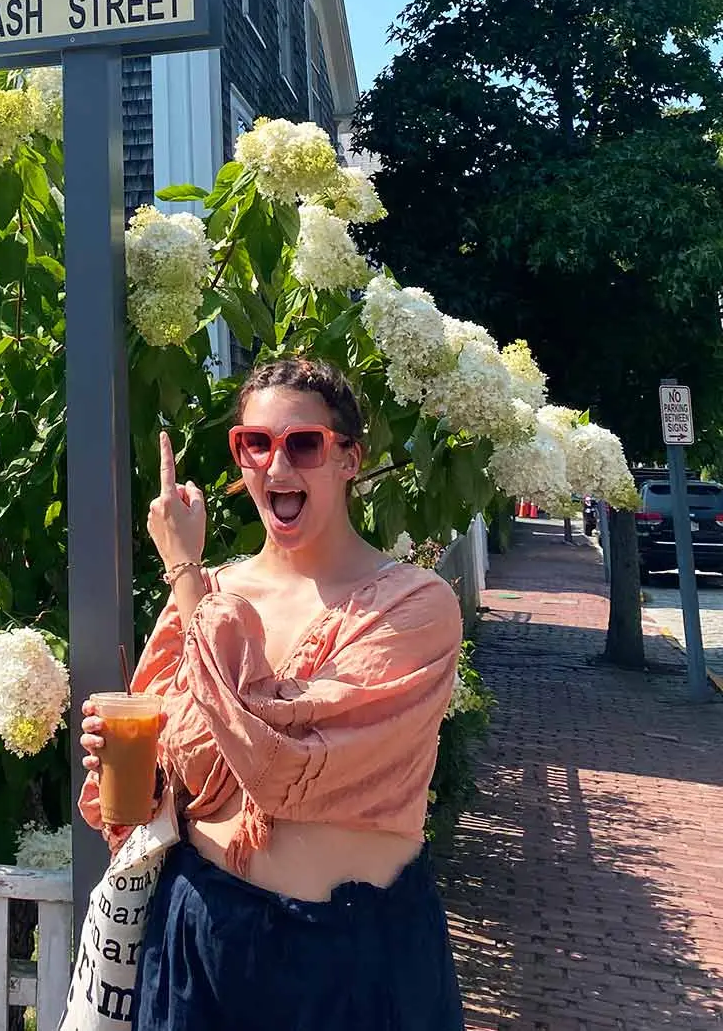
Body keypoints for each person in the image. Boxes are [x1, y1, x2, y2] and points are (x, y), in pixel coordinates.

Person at [79, 354, 466, 1031]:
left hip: (351, 962)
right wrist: (141, 779)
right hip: (200, 943)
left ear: (349, 458)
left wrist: (182, 568)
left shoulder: (412, 604)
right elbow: (186, 776)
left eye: (303, 443)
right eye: (253, 443)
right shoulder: (211, 592)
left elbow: (282, 762)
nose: (276, 466)